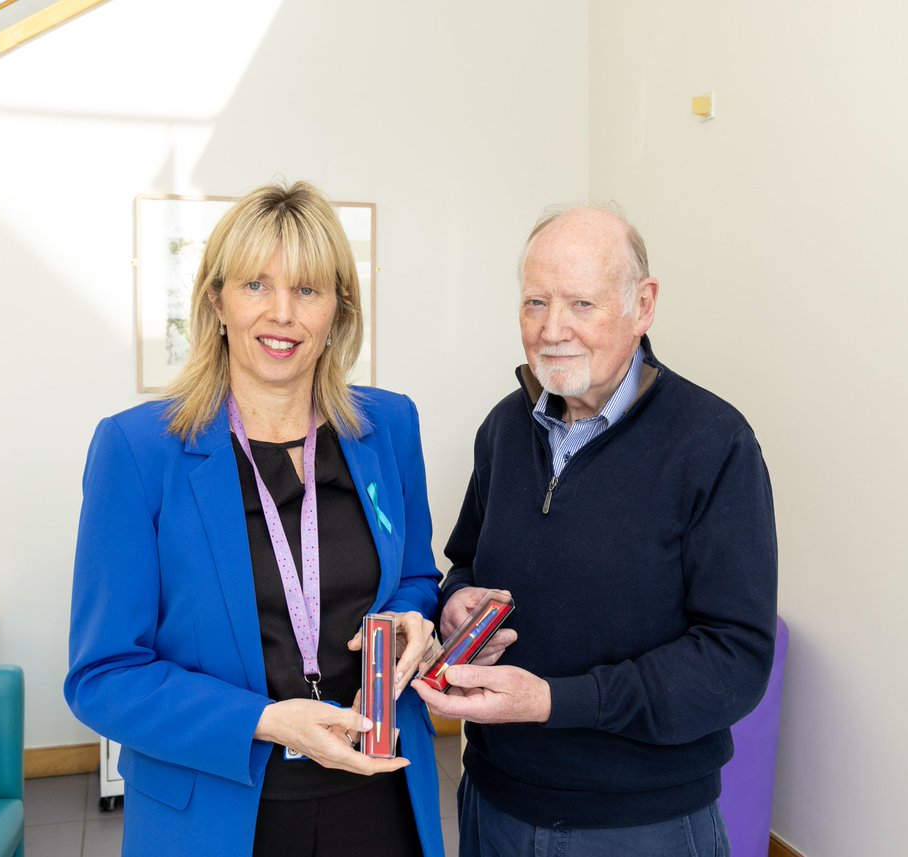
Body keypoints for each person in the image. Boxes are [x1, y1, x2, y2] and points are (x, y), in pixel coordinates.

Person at [66, 181, 444, 857]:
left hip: (381, 793)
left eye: (307, 289)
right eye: (255, 286)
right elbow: (103, 675)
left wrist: (413, 618)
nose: (282, 314)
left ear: (339, 309)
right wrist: (267, 720)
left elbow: (416, 575)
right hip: (217, 810)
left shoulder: (389, 425)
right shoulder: (138, 449)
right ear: (216, 301)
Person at [412, 205, 778, 857]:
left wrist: (554, 701)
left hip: (643, 825)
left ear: (643, 305)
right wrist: (456, 604)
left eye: (581, 303)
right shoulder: (502, 427)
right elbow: (465, 562)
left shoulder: (714, 443)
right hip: (494, 805)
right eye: (535, 302)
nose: (553, 330)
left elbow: (735, 661)